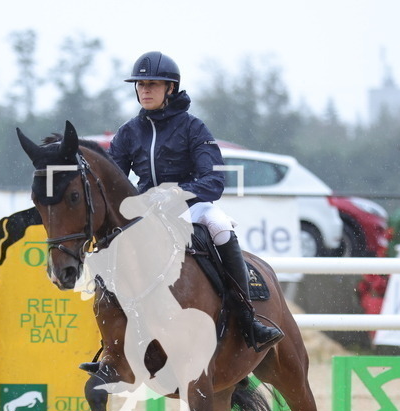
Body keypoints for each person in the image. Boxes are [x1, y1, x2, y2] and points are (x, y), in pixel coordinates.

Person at [107, 51, 283, 352]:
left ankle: (246, 318)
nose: (145, 90)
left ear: (170, 88)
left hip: (192, 206)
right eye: (140, 84)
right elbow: (113, 182)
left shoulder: (192, 127)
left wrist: (177, 194)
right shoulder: (128, 133)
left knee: (220, 228)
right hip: (147, 211)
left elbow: (214, 181)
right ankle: (111, 342)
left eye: (152, 84)